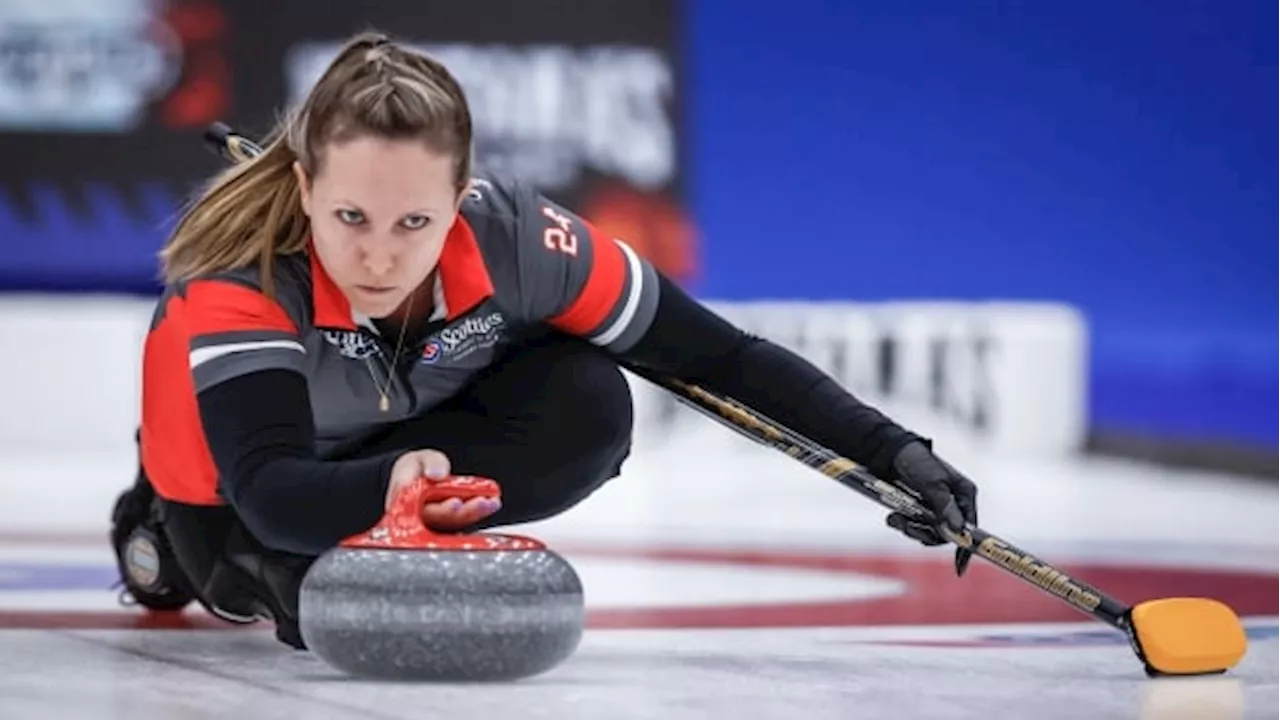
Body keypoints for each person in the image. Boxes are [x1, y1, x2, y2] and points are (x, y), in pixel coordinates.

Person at [109, 30, 979, 648]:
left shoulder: (523, 239)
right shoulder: (240, 274)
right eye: (349, 216)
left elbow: (720, 358)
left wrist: (893, 450)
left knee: (589, 402)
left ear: (463, 198)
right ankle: (152, 529)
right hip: (236, 477)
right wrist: (390, 487)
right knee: (268, 586)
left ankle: (384, 524)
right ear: (302, 188)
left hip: (397, 451)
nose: (378, 255)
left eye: (415, 219)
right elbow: (267, 492)